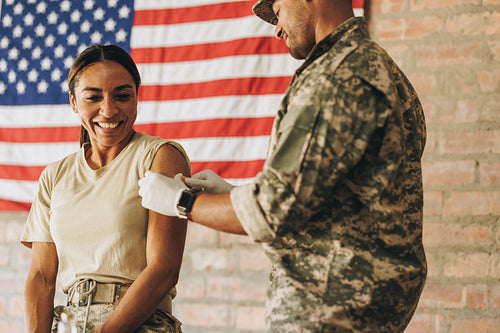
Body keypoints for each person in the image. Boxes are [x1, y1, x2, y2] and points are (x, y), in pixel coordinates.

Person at [138, 0, 427, 331]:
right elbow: (339, 198)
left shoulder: (334, 77)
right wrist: (236, 194)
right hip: (364, 306)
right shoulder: (381, 68)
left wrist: (181, 201)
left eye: (279, 12)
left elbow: (271, 212)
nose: (276, 29)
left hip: (330, 310)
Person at [21, 44, 190, 333]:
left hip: (142, 323)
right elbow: (41, 276)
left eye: (122, 96)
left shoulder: (160, 156)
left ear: (137, 98)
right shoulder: (55, 175)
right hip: (69, 323)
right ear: (74, 102)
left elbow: (164, 270)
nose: (109, 110)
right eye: (93, 97)